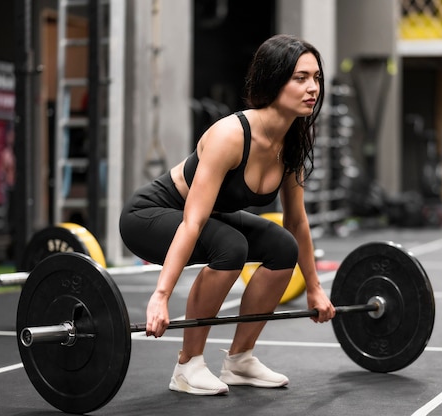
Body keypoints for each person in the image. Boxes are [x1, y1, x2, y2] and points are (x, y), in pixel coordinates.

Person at [119, 34, 336, 396]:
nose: (312, 87)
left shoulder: (292, 141)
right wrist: (161, 296)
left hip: (203, 219)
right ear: (274, 79)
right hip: (150, 216)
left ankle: (240, 360)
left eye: (316, 78)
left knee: (282, 246)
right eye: (300, 78)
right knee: (230, 247)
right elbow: (193, 221)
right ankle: (187, 366)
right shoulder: (231, 136)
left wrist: (315, 289)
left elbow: (296, 222)